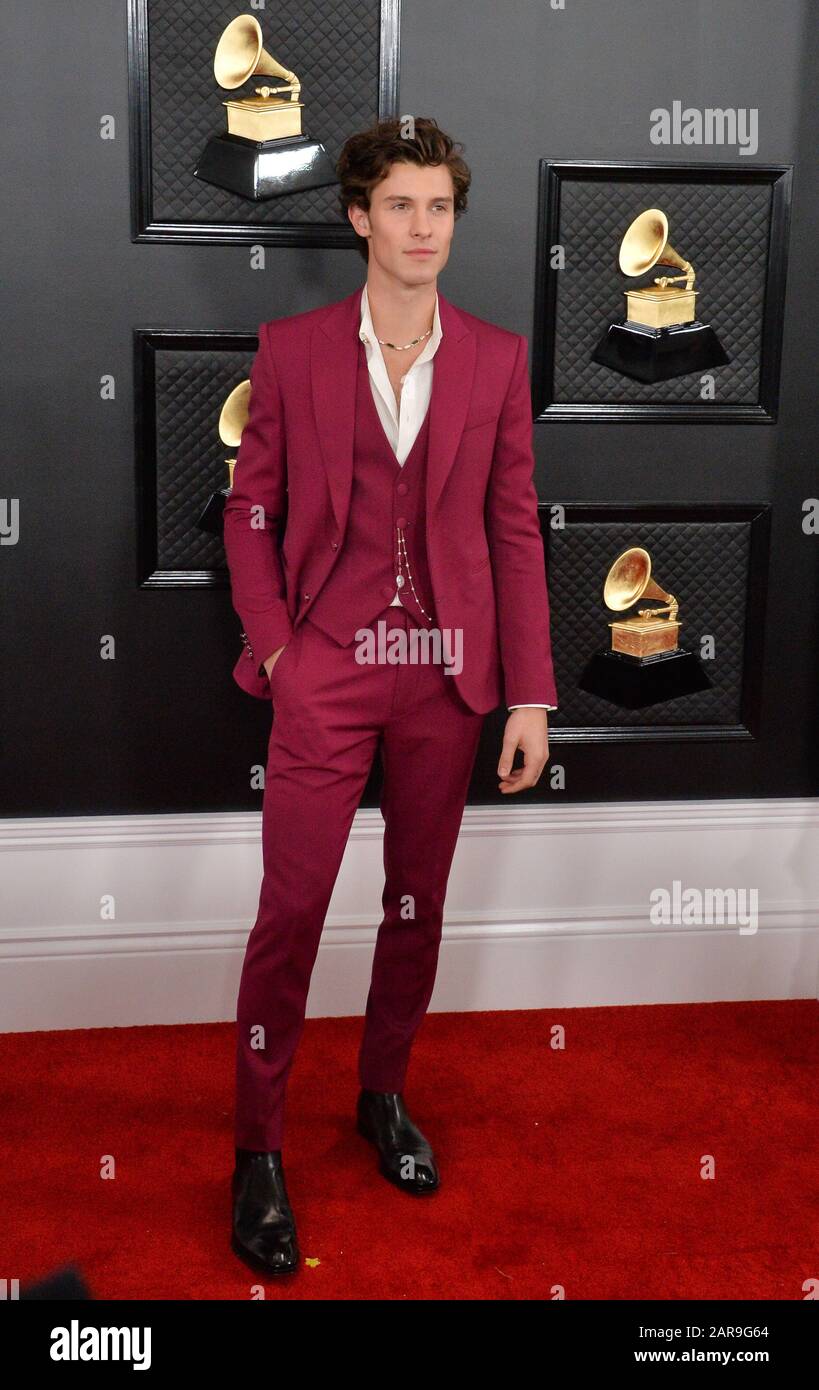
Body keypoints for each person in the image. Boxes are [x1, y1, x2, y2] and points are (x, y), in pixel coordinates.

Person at [223, 116, 558, 1276]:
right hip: (326, 668)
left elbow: (514, 529)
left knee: (416, 904)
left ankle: (382, 1095)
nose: (424, 228)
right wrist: (275, 650)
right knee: (293, 911)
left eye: (441, 209)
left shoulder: (498, 359)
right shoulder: (294, 347)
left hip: (450, 676)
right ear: (359, 216)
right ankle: (258, 1148)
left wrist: (530, 696)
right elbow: (249, 509)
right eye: (402, 206)